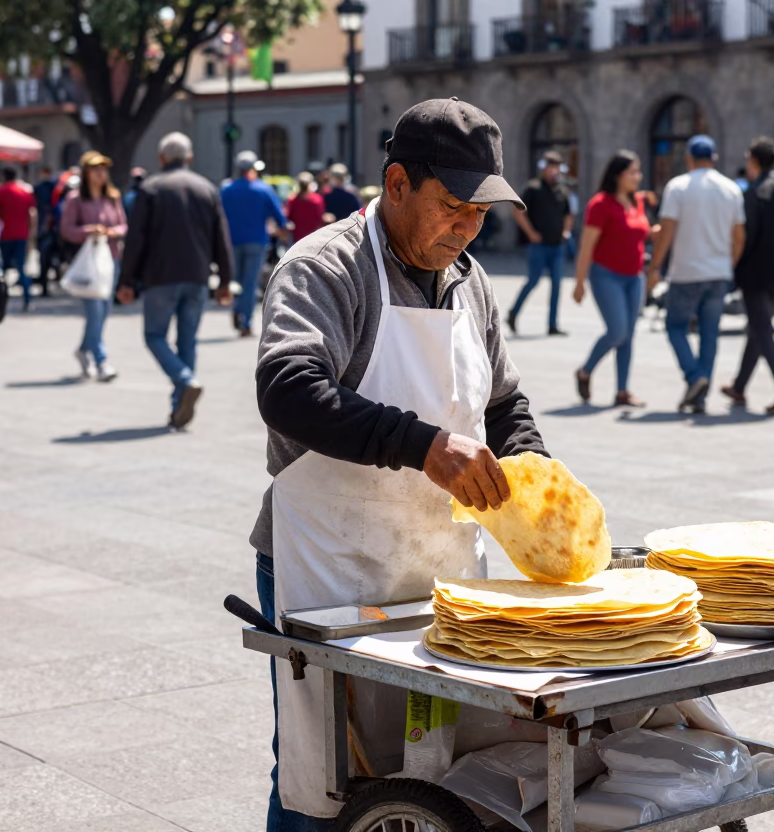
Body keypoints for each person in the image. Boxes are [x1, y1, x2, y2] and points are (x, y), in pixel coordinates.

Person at [252, 97, 545, 832]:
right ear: (397, 184)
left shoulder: (471, 281)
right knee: (322, 775)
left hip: (439, 567)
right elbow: (287, 389)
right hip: (326, 570)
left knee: (430, 772)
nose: (467, 228)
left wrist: (536, 473)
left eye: (480, 214)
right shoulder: (326, 268)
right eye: (452, 207)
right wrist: (424, 445)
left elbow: (504, 402)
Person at [117, 132, 234, 429]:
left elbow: (136, 239)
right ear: (190, 158)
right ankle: (181, 400)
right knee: (187, 341)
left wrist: (126, 280)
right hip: (196, 275)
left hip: (160, 276)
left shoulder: (151, 188)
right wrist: (225, 280)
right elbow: (221, 238)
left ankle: (184, 381)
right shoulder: (206, 188)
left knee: (154, 336)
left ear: (161, 159)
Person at [647, 135, 745, 414]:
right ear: (714, 158)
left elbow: (666, 232)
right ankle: (699, 396)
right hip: (718, 273)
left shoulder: (678, 187)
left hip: (686, 272)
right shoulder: (731, 189)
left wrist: (655, 267)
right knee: (709, 333)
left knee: (675, 327)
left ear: (689, 158)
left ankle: (694, 377)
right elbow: (739, 235)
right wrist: (730, 263)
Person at [720, 137, 774, 416]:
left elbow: (746, 236)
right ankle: (740, 386)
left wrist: (734, 266)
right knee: (758, 327)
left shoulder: (756, 193)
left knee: (762, 329)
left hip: (756, 272)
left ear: (753, 161)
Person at [573, 151, 656, 407]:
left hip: (635, 278)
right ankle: (585, 370)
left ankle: (622, 391)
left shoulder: (637, 202)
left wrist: (656, 232)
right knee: (617, 331)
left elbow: (637, 233)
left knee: (629, 335)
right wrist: (579, 281)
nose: (637, 177)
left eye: (638, 171)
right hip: (606, 276)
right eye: (633, 171)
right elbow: (586, 246)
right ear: (618, 175)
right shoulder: (600, 204)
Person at [61, 151, 127, 382]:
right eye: (95, 169)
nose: (101, 173)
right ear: (86, 173)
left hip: (111, 260)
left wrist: (111, 232)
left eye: (103, 169)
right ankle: (101, 360)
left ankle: (83, 349)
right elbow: (67, 230)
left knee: (104, 311)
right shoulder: (75, 199)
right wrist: (88, 231)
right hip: (89, 263)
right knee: (95, 311)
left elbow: (123, 225)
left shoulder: (113, 197)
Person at [221, 150, 288, 337]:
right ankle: (245, 321)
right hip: (257, 240)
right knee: (250, 282)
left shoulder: (227, 189)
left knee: (236, 280)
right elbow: (279, 216)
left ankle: (237, 309)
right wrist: (282, 229)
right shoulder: (263, 189)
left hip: (232, 240)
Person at [507, 150, 573, 336]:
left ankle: (552, 324)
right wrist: (530, 233)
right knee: (533, 281)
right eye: (550, 167)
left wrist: (566, 231)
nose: (553, 171)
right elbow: (517, 211)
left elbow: (569, 214)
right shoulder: (533, 188)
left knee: (557, 285)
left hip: (557, 245)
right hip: (539, 245)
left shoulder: (562, 190)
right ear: (545, 168)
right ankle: (513, 313)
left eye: (556, 168)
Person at [0, 167, 36, 310]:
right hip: (22, 234)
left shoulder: (1, 191)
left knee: (2, 268)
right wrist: (32, 234)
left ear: (4, 175)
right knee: (21, 268)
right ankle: (27, 299)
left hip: (6, 234)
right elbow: (32, 213)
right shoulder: (24, 191)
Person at [33, 167, 58, 294]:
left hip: (46, 227)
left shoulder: (43, 188)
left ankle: (45, 284)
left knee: (44, 258)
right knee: (48, 257)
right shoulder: (55, 187)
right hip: (52, 228)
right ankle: (46, 284)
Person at [286, 171, 329, 243]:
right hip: (314, 236)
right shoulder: (317, 200)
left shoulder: (292, 199)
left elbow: (288, 216)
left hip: (297, 238)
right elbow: (320, 217)